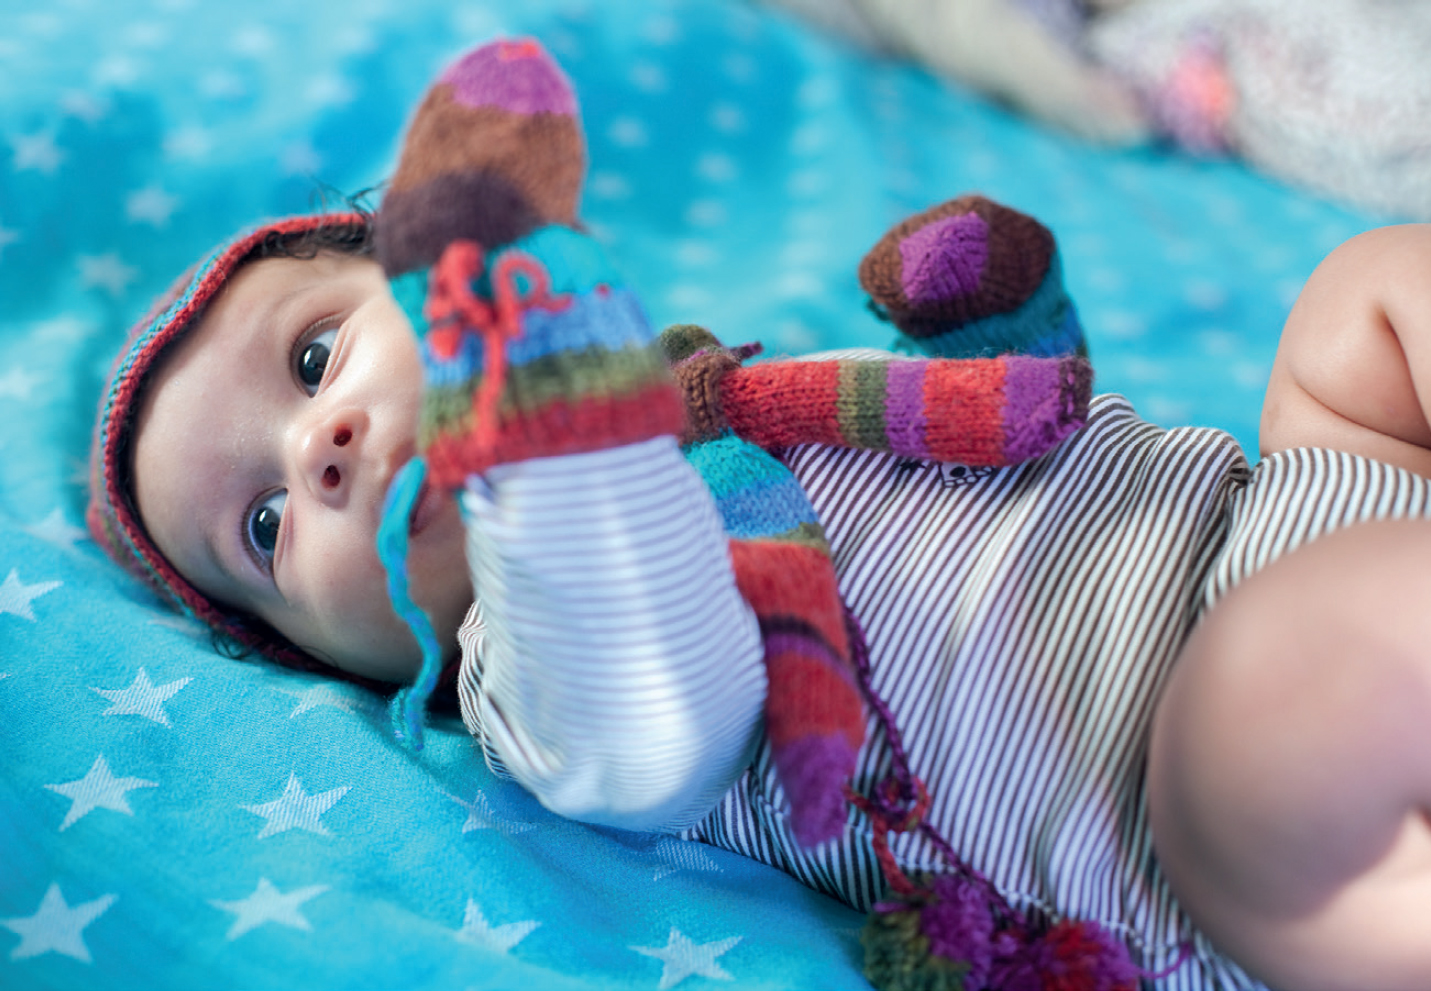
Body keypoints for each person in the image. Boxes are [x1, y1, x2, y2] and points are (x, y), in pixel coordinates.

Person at [88, 38, 1431, 991]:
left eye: (315, 358)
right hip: (1213, 818)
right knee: (1281, 687)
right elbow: (667, 697)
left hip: (1270, 517)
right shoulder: (533, 674)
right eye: (265, 530)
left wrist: (1008, 340)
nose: (317, 449)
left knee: (1363, 304)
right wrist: (554, 448)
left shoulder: (724, 391)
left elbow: (984, 444)